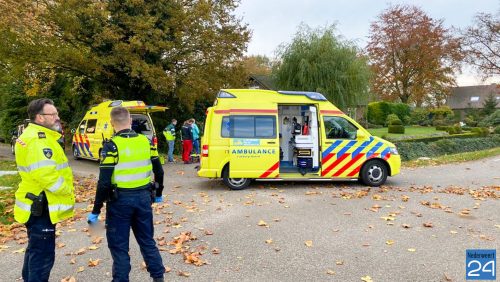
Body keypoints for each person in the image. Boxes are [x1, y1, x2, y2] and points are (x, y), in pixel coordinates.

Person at [87, 106, 165, 282]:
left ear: (111, 124)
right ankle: (158, 278)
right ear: (130, 121)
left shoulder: (111, 146)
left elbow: (104, 182)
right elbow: (159, 172)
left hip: (119, 202)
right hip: (144, 199)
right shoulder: (146, 142)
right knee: (147, 241)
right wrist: (158, 193)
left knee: (119, 247)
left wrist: (96, 210)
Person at [14, 98, 75, 282]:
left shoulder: (37, 136)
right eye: (53, 114)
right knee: (42, 257)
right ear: (40, 118)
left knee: (35, 250)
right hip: (42, 205)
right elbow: (46, 175)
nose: (57, 117)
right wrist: (66, 190)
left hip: (35, 203)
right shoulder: (40, 140)